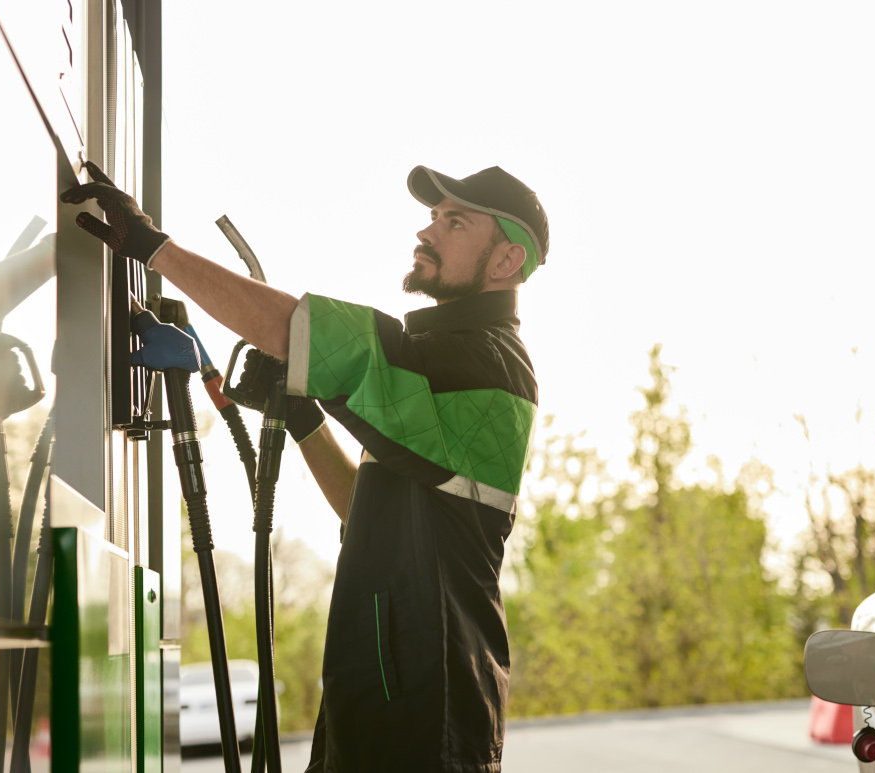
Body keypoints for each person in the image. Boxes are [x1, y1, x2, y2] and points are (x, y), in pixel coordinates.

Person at [61, 163, 549, 773]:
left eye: (455, 222)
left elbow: (304, 333)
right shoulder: (440, 370)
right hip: (380, 698)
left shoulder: (482, 366)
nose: (427, 233)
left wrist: (154, 249)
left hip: (427, 716)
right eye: (431, 218)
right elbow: (366, 510)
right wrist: (305, 421)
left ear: (506, 261)